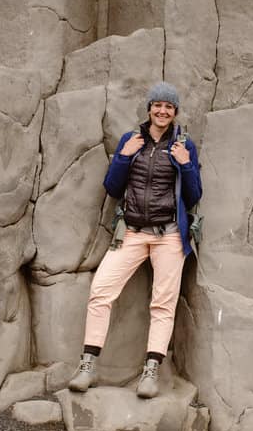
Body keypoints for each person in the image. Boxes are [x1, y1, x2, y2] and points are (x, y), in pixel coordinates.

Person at [68, 81, 202, 398]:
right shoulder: (131, 141)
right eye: (158, 105)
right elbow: (113, 187)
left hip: (169, 235)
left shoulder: (184, 144)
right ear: (149, 108)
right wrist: (123, 158)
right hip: (131, 232)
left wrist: (186, 164)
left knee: (163, 304)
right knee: (100, 291)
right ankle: (88, 365)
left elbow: (194, 194)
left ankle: (151, 372)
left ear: (175, 112)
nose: (162, 111)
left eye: (168, 106)